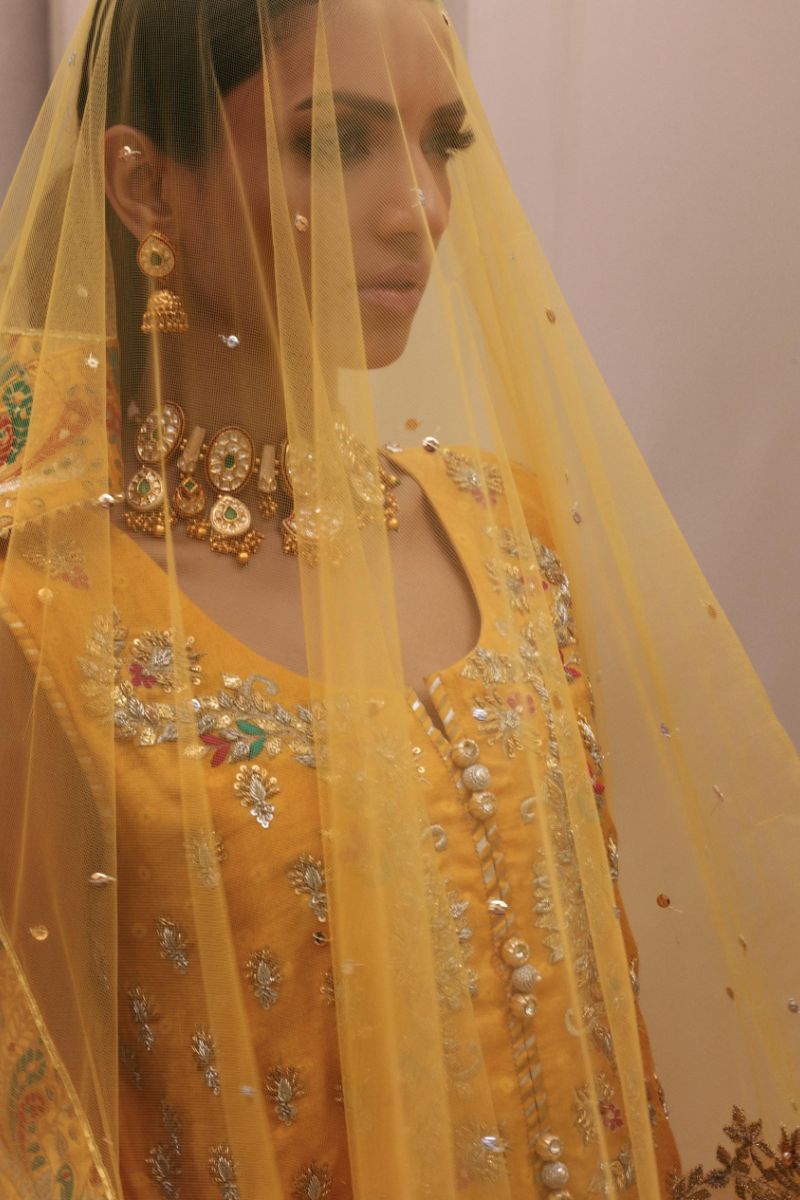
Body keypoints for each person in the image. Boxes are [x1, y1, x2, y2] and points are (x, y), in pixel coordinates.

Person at [0, 1, 797, 1197]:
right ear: (146, 188)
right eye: (336, 141)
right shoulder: (47, 619)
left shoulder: (507, 535)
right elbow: (43, 1134)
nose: (416, 207)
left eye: (441, 145)